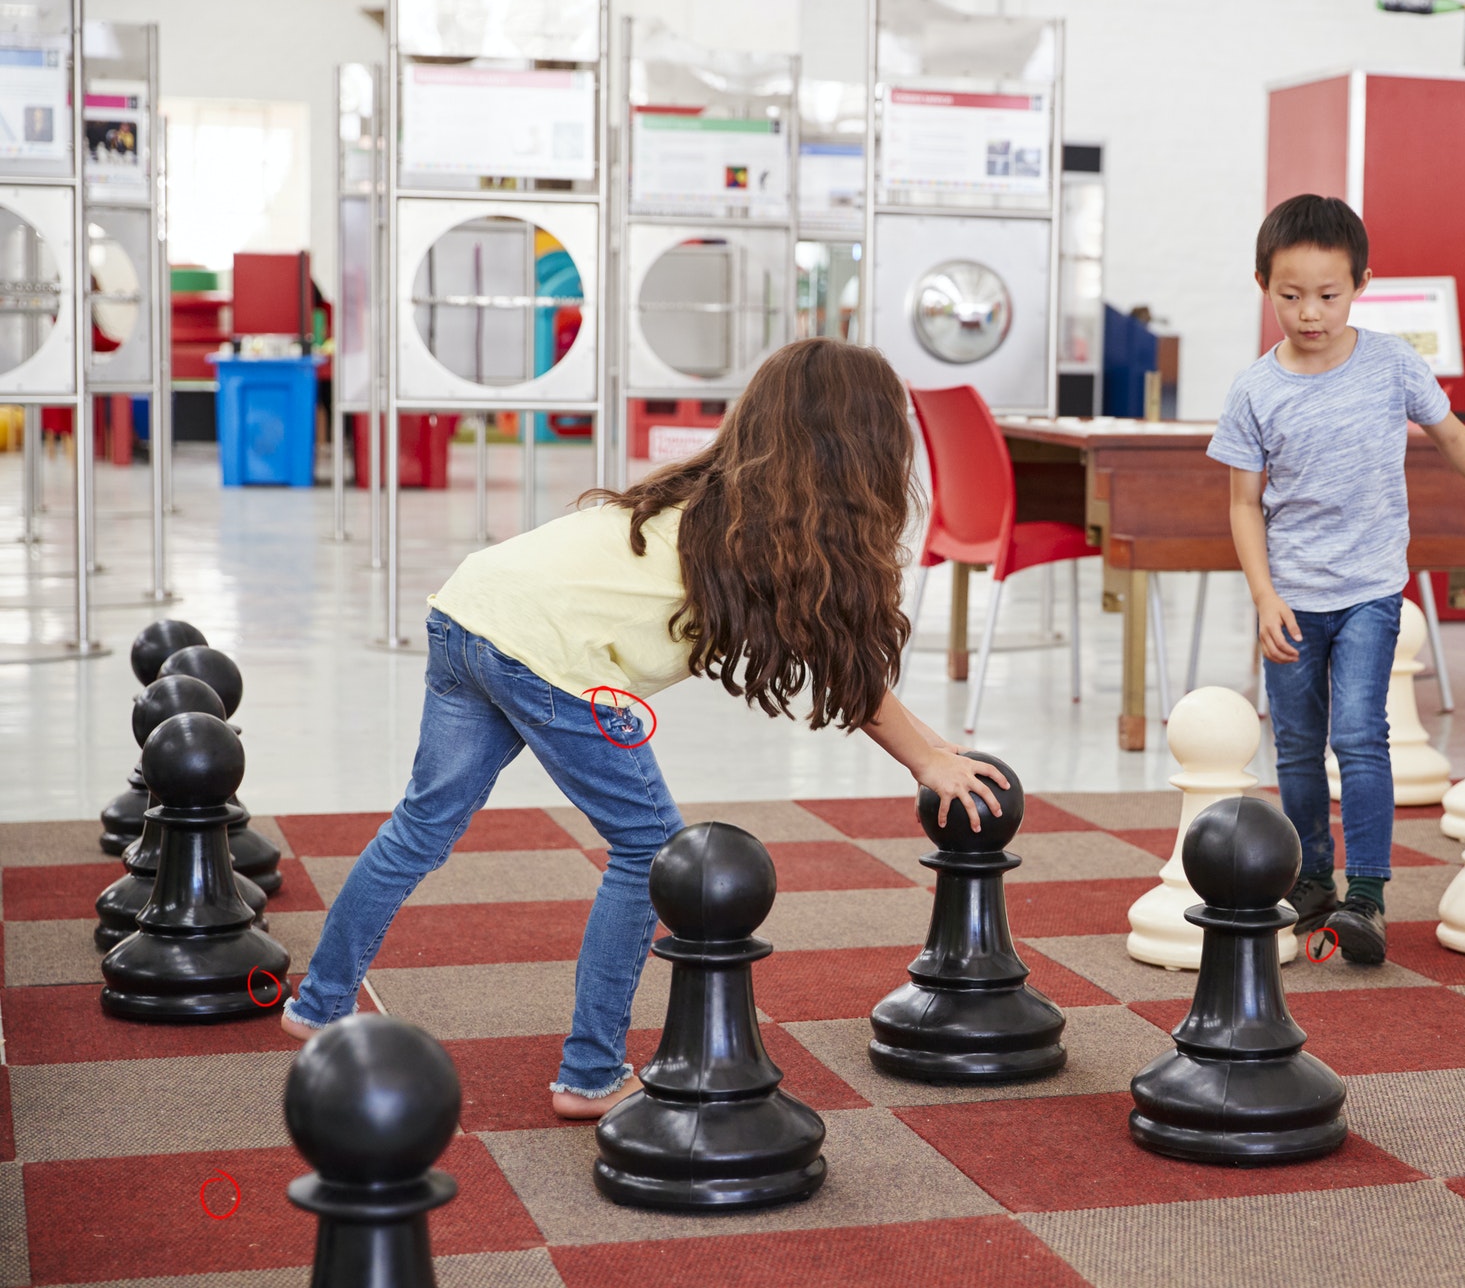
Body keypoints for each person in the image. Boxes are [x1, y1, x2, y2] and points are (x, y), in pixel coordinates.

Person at [282, 338, 1006, 1118]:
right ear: (863, 450)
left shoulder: (712, 500)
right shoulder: (769, 540)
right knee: (648, 849)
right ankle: (590, 1075)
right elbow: (848, 680)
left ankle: (317, 1004)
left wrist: (935, 750)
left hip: (469, 608)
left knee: (422, 823)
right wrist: (925, 761)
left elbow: (846, 672)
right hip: (549, 654)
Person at [1209, 194, 1465, 965]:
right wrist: (1264, 594)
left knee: (1359, 738)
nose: (1310, 314)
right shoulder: (1254, 390)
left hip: (1373, 589)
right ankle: (1311, 882)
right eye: (1290, 295)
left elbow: (1456, 438)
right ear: (1261, 284)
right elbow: (1243, 503)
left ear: (1363, 284)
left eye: (1328, 295)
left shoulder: (1392, 363)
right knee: (1299, 747)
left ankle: (1367, 894)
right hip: (1293, 598)